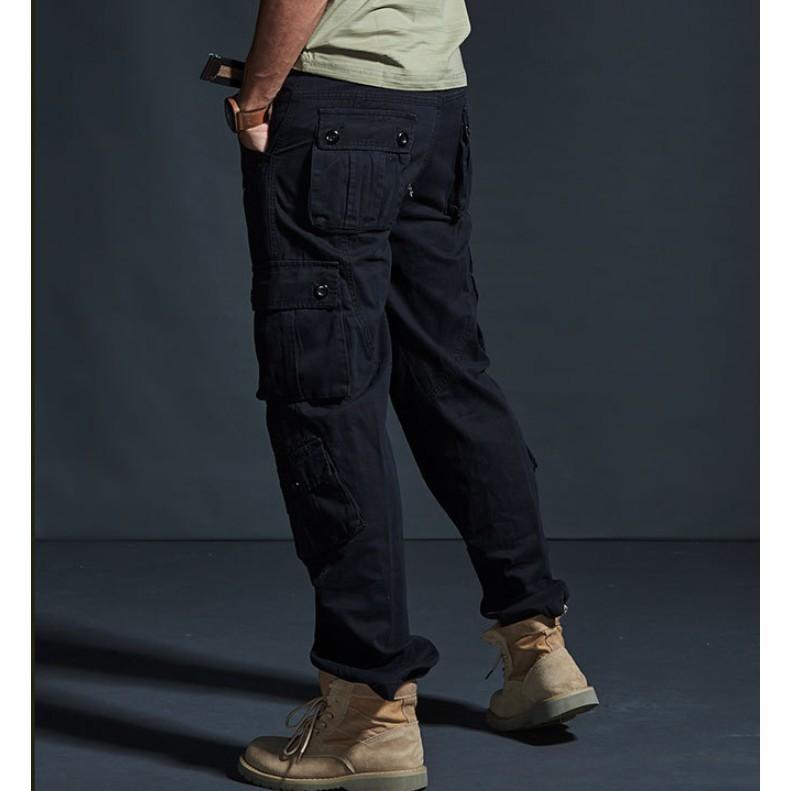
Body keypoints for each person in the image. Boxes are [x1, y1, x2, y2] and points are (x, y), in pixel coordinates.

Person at [223, 2, 598, 789]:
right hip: (433, 103)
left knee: (325, 396)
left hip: (335, 108)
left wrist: (256, 98)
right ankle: (536, 648)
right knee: (448, 377)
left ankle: (369, 713)